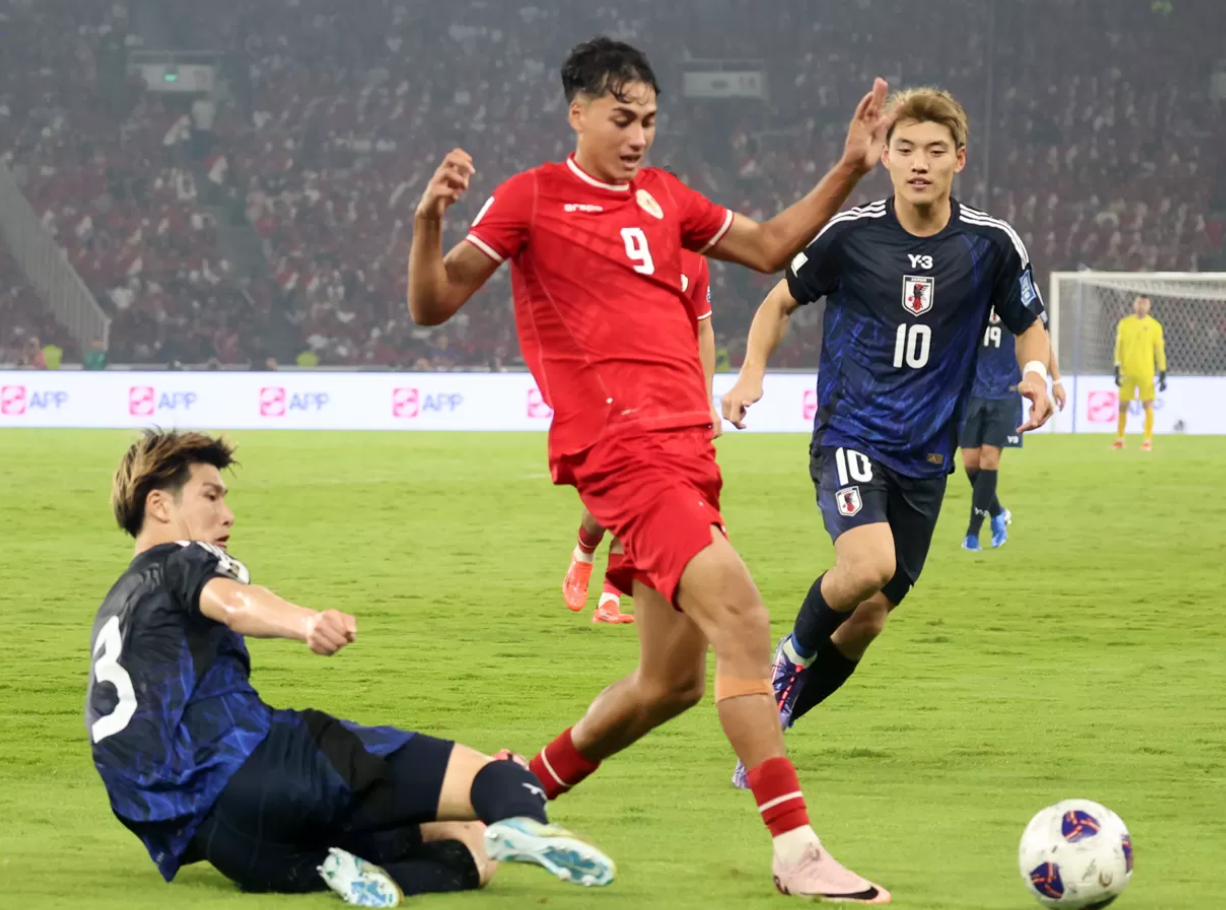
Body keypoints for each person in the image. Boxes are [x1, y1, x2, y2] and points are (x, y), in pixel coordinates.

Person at [408, 36, 895, 903]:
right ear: (580, 113)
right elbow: (433, 303)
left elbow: (773, 242)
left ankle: (508, 798)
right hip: (621, 452)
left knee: (668, 685)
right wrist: (428, 224)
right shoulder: (529, 198)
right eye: (623, 119)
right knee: (744, 618)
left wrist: (851, 166)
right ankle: (797, 852)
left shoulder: (665, 199)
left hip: (686, 453)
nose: (638, 136)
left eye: (650, 121)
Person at [86, 430, 615, 908]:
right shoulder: (178, 560)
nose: (227, 514)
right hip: (267, 765)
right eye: (211, 495)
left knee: (468, 849)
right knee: (486, 778)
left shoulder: (115, 610)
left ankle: (365, 874)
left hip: (221, 840)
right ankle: (525, 821)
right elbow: (235, 603)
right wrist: (306, 622)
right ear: (158, 505)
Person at [720, 87, 1054, 789]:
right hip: (851, 434)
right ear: (887, 157)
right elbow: (779, 300)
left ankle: (774, 730)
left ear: (959, 159)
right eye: (904, 149)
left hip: (926, 459)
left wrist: (1036, 376)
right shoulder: (852, 234)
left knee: (869, 616)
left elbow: (1031, 324)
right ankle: (788, 661)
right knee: (867, 566)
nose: (919, 163)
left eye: (935, 151)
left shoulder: (991, 245)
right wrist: (751, 373)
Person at [562, 249, 722, 624]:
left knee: (648, 493)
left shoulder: (695, 261)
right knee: (616, 488)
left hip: (673, 393)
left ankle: (609, 599)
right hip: (618, 384)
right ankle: (584, 551)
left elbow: (703, 329)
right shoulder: (616, 248)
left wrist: (707, 400)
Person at [958, 311, 1067, 550]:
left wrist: (1055, 381)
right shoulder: (974, 286)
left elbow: (1042, 339)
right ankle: (997, 513)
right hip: (972, 390)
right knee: (970, 462)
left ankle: (972, 534)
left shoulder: (1017, 293)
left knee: (988, 458)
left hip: (1007, 391)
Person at [1113, 296, 1166, 451]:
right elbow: (1119, 346)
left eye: (1144, 303)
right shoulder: (1125, 324)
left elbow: (1159, 350)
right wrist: (1116, 367)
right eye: (1139, 303)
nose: (1141, 306)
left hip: (1146, 372)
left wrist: (1162, 370)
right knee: (1123, 405)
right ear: (1134, 305)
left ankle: (1147, 440)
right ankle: (1120, 439)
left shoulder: (1155, 326)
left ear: (1149, 306)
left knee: (1147, 403)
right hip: (1127, 371)